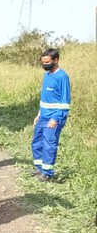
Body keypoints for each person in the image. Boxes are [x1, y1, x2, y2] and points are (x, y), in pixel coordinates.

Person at [32, 48, 71, 182]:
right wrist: (39, 114)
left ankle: (47, 172)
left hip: (54, 117)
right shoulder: (46, 75)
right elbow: (44, 98)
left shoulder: (62, 77)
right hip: (43, 116)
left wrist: (56, 118)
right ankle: (39, 167)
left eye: (47, 62)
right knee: (37, 142)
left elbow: (65, 102)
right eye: (43, 62)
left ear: (56, 60)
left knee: (49, 144)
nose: (45, 65)